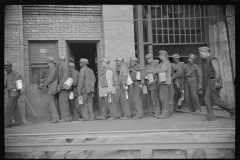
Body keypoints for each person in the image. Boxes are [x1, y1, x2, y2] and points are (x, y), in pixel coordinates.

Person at [198, 46, 235, 120]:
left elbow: (217, 71)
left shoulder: (212, 59)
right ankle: (210, 117)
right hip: (210, 81)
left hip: (214, 81)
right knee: (207, 99)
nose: (200, 56)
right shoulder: (206, 60)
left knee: (216, 100)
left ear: (206, 52)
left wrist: (217, 83)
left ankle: (233, 109)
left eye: (201, 54)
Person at [147, 50, 171, 119]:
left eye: (160, 55)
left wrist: (151, 71)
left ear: (164, 56)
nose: (159, 56)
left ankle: (165, 114)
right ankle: (164, 113)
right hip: (162, 82)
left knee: (164, 98)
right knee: (162, 98)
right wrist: (152, 71)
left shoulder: (166, 62)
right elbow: (157, 68)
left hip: (165, 82)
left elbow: (162, 70)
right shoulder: (162, 62)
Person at [38, 56, 60, 123]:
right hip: (54, 87)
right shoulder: (54, 68)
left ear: (49, 62)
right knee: (52, 102)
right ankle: (56, 117)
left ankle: (55, 118)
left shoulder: (52, 69)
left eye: (47, 62)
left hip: (52, 87)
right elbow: (48, 77)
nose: (47, 63)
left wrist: (43, 85)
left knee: (50, 102)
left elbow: (50, 79)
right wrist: (44, 79)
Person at [4, 61, 25, 128]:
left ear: (11, 67)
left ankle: (8, 123)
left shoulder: (15, 74)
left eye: (8, 67)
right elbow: (6, 85)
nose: (6, 68)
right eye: (5, 67)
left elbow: (20, 82)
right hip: (10, 92)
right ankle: (19, 121)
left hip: (15, 92)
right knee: (15, 107)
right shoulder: (7, 75)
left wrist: (21, 89)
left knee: (8, 107)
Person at [57, 55, 71, 122]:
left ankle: (65, 118)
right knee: (64, 102)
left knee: (62, 103)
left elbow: (65, 77)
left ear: (61, 60)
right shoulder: (62, 67)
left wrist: (59, 85)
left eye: (59, 60)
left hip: (64, 88)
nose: (58, 61)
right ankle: (67, 117)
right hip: (64, 87)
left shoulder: (64, 67)